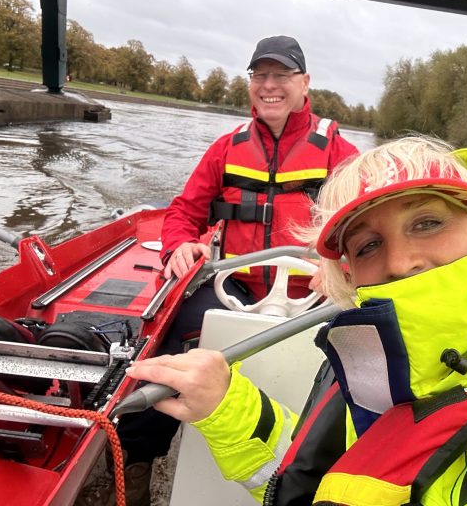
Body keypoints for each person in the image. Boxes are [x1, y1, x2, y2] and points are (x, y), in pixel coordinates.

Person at [126, 134, 467, 505]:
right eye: (367, 245)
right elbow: (330, 480)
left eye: (428, 222)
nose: (401, 263)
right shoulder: (371, 365)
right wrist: (226, 408)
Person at [108, 35, 358, 506]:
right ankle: (136, 461)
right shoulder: (226, 149)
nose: (269, 86)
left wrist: (339, 268)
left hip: (319, 294)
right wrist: (180, 246)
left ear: (304, 83)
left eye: (281, 76)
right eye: (260, 76)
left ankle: (328, 470)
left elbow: (364, 228)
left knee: (355, 363)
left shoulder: (339, 155)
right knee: (169, 346)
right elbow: (184, 212)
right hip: (236, 286)